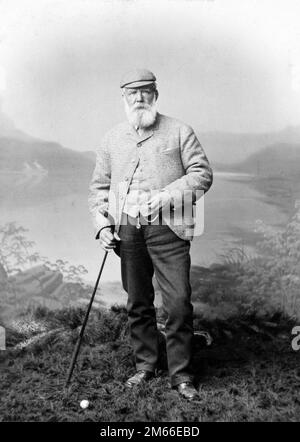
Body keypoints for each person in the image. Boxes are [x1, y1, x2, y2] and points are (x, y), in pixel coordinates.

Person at [88, 69, 213, 400]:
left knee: (178, 303)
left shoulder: (179, 131)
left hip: (168, 230)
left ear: (155, 94)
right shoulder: (111, 139)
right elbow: (99, 188)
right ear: (124, 99)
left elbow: (202, 174)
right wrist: (102, 224)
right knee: (138, 302)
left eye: (146, 91)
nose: (139, 97)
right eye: (133, 93)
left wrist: (170, 194)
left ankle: (182, 375)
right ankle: (145, 365)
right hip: (128, 230)